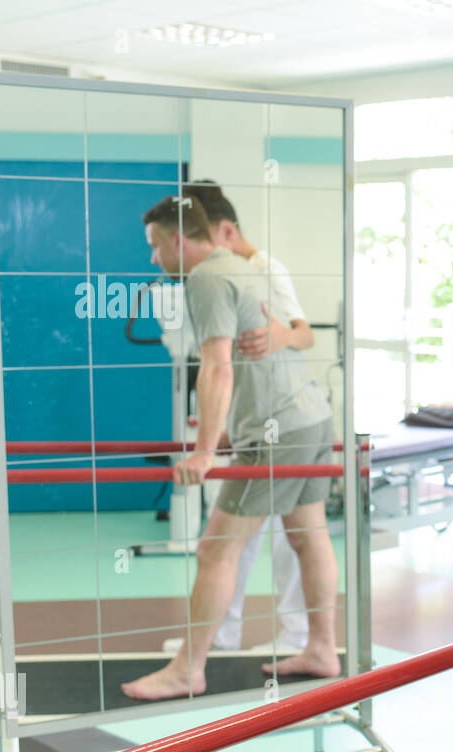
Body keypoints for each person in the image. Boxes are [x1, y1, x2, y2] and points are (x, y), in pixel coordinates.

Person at [123, 195, 340, 700]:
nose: (154, 258)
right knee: (310, 537)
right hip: (309, 419)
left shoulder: (204, 279)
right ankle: (323, 648)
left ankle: (188, 669)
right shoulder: (243, 268)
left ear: (179, 239)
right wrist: (225, 432)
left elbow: (218, 365)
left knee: (216, 548)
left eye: (156, 246)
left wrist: (202, 452)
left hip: (277, 430)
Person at [182, 180, 314, 654]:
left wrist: (282, 337)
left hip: (279, 420)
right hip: (248, 423)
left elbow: (304, 335)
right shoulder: (216, 272)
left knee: (286, 536)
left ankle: (298, 635)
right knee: (241, 537)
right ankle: (223, 632)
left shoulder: (262, 268)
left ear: (226, 230)